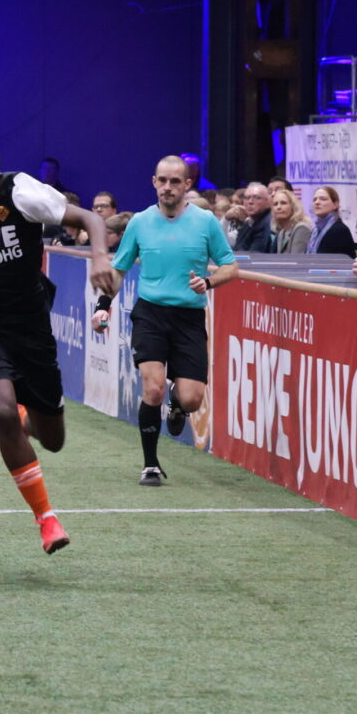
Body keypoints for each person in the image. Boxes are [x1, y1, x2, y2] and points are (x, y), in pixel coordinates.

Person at [0, 138, 111, 554]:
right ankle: (46, 518)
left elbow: (90, 218)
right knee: (0, 410)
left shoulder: (23, 192)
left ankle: (25, 414)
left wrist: (101, 257)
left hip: (30, 329)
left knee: (53, 439)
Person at [94, 155, 239, 487]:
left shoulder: (205, 222)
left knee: (192, 398)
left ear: (187, 184)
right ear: (154, 182)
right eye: (162, 180)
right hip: (151, 314)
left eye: (175, 181)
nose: (168, 187)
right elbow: (119, 269)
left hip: (189, 317)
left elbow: (231, 267)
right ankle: (150, 465)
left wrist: (209, 282)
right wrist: (103, 306)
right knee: (153, 388)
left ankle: (178, 405)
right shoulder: (140, 222)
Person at [306, 186, 356, 257]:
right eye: (314, 199)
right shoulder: (315, 231)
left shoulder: (340, 230)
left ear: (335, 205)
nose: (317, 202)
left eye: (323, 199)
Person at [233, 181, 273, 253]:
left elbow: (255, 254)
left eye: (257, 198)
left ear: (268, 201)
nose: (250, 202)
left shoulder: (267, 223)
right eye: (247, 198)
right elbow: (237, 247)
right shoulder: (248, 222)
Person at [270, 188, 311, 254]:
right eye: (275, 204)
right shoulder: (281, 233)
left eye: (283, 203)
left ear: (293, 207)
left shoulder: (301, 228)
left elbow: (296, 258)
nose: (278, 207)